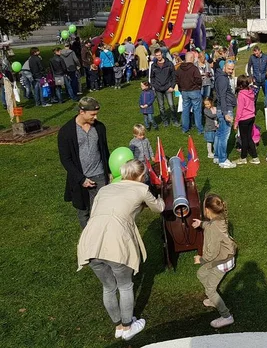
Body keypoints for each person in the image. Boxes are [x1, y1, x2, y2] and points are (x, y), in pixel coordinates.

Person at [77, 160, 165, 341]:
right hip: (115, 242)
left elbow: (95, 212)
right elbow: (159, 208)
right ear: (141, 176)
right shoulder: (142, 189)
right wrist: (162, 197)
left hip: (89, 241)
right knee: (125, 285)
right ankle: (127, 326)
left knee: (108, 287)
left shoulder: (104, 189)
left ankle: (118, 326)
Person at [57, 97, 110, 228]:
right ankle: (88, 243)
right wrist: (81, 179)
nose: (96, 117)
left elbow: (105, 150)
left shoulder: (99, 128)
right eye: (92, 114)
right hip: (80, 178)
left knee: (100, 211)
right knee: (83, 213)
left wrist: (108, 171)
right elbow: (65, 159)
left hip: (99, 175)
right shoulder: (66, 132)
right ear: (82, 112)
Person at [191, 193, 236, 329]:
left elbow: (212, 251)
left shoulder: (213, 229)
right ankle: (214, 299)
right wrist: (202, 224)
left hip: (222, 261)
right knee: (201, 274)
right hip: (224, 257)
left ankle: (226, 316)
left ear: (208, 210)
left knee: (210, 289)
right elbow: (211, 226)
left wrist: (201, 259)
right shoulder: (218, 219)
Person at [214, 60, 237, 168]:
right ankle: (223, 160)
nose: (231, 71)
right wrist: (225, 113)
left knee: (219, 134)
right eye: (229, 69)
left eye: (232, 69)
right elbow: (222, 96)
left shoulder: (219, 76)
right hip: (225, 109)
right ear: (224, 67)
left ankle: (217, 156)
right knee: (224, 136)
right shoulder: (223, 79)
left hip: (221, 108)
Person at [233, 75, 260, 165]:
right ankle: (255, 157)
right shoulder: (251, 92)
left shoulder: (241, 94)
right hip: (251, 117)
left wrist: (236, 122)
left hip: (244, 118)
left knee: (244, 139)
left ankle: (243, 158)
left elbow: (239, 110)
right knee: (249, 138)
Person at [176, 52, 204, 135]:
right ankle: (199, 129)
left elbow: (176, 80)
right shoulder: (194, 68)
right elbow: (199, 80)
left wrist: (181, 88)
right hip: (194, 91)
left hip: (184, 92)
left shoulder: (179, 68)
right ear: (191, 58)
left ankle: (185, 128)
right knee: (197, 110)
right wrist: (198, 87)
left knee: (185, 110)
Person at [150, 48, 179, 127]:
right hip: (158, 89)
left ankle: (175, 120)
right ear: (155, 56)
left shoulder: (169, 64)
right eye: (157, 55)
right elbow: (152, 77)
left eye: (159, 55)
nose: (158, 57)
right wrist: (155, 86)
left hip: (168, 88)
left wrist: (172, 86)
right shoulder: (153, 65)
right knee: (161, 106)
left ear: (162, 54)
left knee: (171, 105)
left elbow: (174, 76)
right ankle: (165, 121)